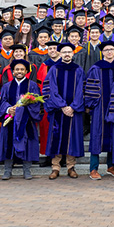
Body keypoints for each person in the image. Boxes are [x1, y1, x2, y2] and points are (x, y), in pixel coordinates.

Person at [0, 58, 42, 180]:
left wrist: (23, 110)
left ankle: (26, 170)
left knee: (27, 144)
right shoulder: (6, 86)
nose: (19, 71)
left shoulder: (32, 85)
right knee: (8, 143)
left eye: (22, 69)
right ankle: (7, 170)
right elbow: (2, 102)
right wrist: (8, 109)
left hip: (26, 120)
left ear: (26, 71)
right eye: (17, 69)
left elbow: (36, 103)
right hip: (10, 120)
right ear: (13, 71)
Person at [44, 43, 85, 179]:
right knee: (56, 138)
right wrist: (62, 106)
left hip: (73, 111)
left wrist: (72, 107)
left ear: (73, 54)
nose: (67, 54)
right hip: (58, 111)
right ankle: (55, 168)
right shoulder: (54, 69)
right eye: (64, 52)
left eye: (69, 52)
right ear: (60, 54)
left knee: (71, 139)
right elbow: (51, 90)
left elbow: (81, 90)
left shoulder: (78, 70)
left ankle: (70, 167)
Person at [85, 41, 114, 180]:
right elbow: (90, 87)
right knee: (97, 136)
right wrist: (91, 104)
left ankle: (111, 166)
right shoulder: (96, 68)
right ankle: (93, 169)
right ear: (102, 52)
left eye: (111, 49)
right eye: (106, 50)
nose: (109, 52)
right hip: (100, 107)